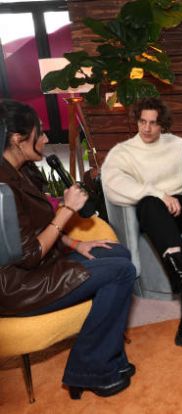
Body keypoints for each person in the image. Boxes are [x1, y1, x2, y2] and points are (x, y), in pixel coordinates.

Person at [0, 100, 137, 398]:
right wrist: (65, 211)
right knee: (122, 272)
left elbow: (37, 228)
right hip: (20, 287)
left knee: (118, 254)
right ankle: (89, 368)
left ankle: (108, 357)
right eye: (40, 133)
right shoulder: (3, 187)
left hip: (41, 265)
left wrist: (78, 243)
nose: (47, 139)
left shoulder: (20, 171)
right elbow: (28, 254)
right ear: (17, 139)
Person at [102, 97, 182, 347]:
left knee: (155, 205)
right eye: (142, 122)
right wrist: (159, 194)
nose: (147, 129)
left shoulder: (178, 145)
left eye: (153, 123)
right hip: (157, 210)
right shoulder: (124, 151)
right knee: (149, 205)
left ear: (163, 125)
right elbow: (113, 185)